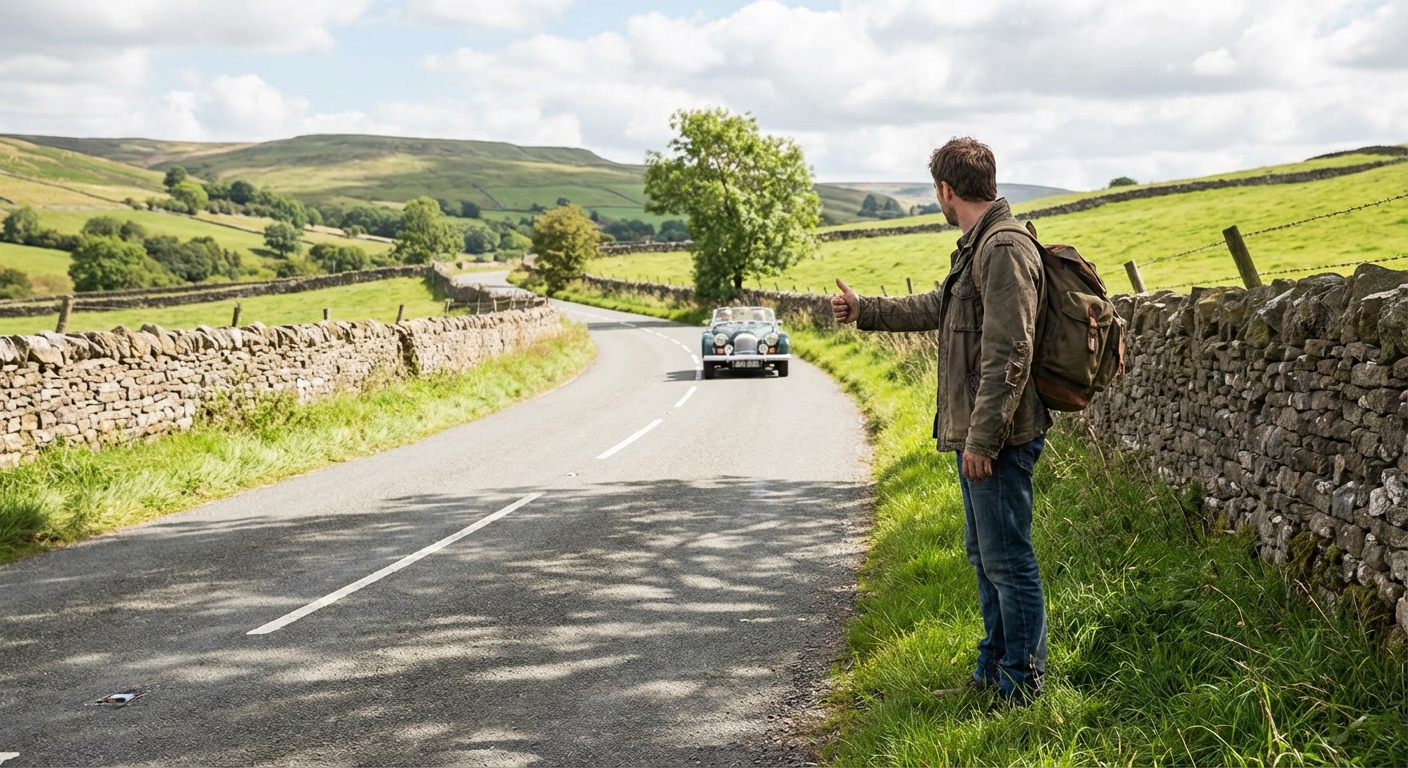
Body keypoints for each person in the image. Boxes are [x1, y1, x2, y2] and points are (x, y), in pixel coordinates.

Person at [831, 136, 1052, 705]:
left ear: (946, 190)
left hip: (997, 437)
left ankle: (1022, 683)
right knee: (987, 555)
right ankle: (994, 667)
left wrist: (983, 438)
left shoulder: (1002, 247)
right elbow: (939, 306)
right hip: (980, 435)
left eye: (938, 190)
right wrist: (867, 311)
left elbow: (1010, 350)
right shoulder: (978, 245)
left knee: (1008, 558)